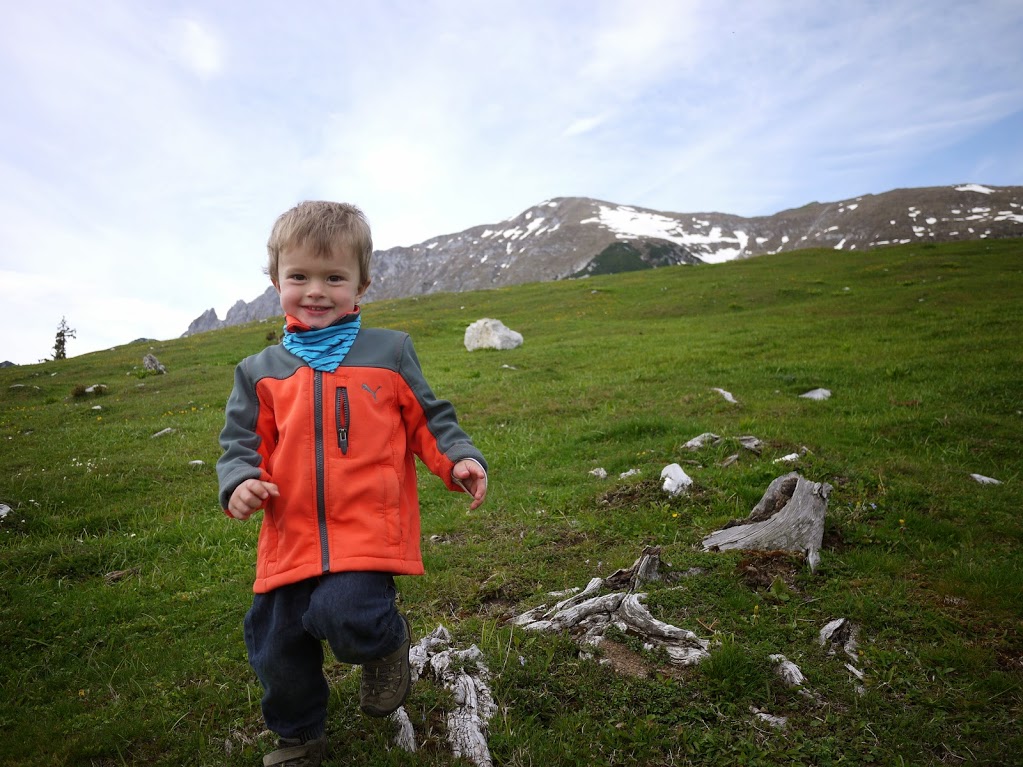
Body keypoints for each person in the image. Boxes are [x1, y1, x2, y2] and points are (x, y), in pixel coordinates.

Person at [217, 201, 488, 767]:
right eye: (300, 277)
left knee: (347, 615)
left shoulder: (389, 352)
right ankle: (298, 737)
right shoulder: (258, 370)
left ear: (361, 284)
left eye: (334, 277)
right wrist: (241, 479)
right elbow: (241, 442)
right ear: (276, 281)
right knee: (275, 642)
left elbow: (429, 418)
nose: (316, 291)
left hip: (368, 528)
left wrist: (456, 457)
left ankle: (385, 642)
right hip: (289, 537)